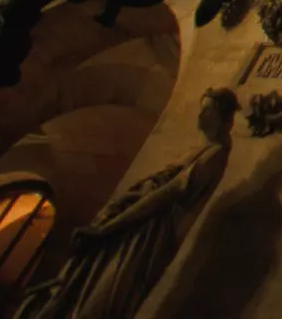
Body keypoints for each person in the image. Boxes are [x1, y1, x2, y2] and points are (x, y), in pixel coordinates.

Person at [14, 88, 239, 319]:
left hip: (143, 234)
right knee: (78, 290)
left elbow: (164, 195)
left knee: (102, 299)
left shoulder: (215, 155)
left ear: (223, 117)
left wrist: (107, 229)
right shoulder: (201, 149)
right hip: (130, 227)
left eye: (207, 110)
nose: (200, 116)